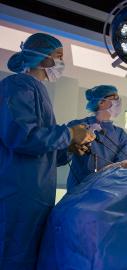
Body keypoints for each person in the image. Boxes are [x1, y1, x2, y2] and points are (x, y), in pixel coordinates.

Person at [0, 33, 95, 269]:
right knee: (10, 255)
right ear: (39, 56)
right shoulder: (18, 84)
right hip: (17, 193)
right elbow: (20, 135)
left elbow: (45, 152)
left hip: (36, 194)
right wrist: (69, 134)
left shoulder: (39, 91)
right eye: (58, 56)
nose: (61, 62)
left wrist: (70, 147)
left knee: (26, 256)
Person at [65, 85, 127, 190]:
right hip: (79, 187)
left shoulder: (120, 135)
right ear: (101, 102)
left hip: (106, 190)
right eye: (115, 98)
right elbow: (61, 154)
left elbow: (123, 167)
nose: (118, 101)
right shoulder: (77, 126)